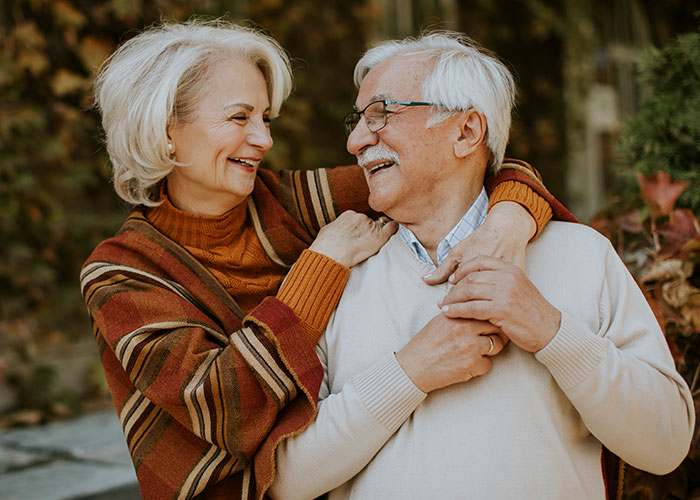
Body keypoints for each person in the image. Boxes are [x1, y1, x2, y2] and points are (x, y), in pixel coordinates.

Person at [78, 19, 573, 500]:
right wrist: (322, 263)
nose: (264, 140)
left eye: (265, 119)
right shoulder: (122, 272)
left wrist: (509, 222)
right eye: (238, 117)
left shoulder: (288, 201)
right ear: (167, 130)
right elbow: (225, 405)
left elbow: (457, 165)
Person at [269, 31, 695, 500]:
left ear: (467, 132)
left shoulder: (581, 255)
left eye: (381, 114)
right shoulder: (341, 273)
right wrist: (409, 372)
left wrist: (550, 330)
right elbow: (287, 481)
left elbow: (667, 444)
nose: (355, 141)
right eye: (357, 120)